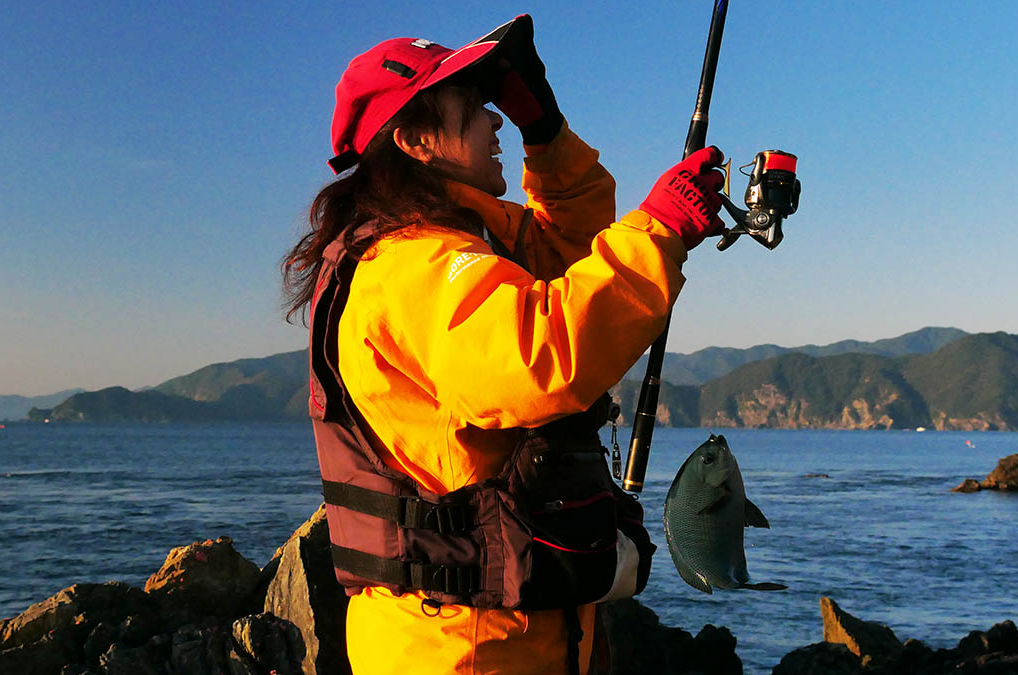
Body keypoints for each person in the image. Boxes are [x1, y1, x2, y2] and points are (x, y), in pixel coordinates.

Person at [283, 14, 726, 675]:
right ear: (415, 139)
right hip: (463, 650)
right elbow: (543, 357)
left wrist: (544, 130)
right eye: (472, 105)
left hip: (501, 635)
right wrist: (659, 229)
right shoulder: (411, 265)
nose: (495, 119)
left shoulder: (456, 238)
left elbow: (571, 250)